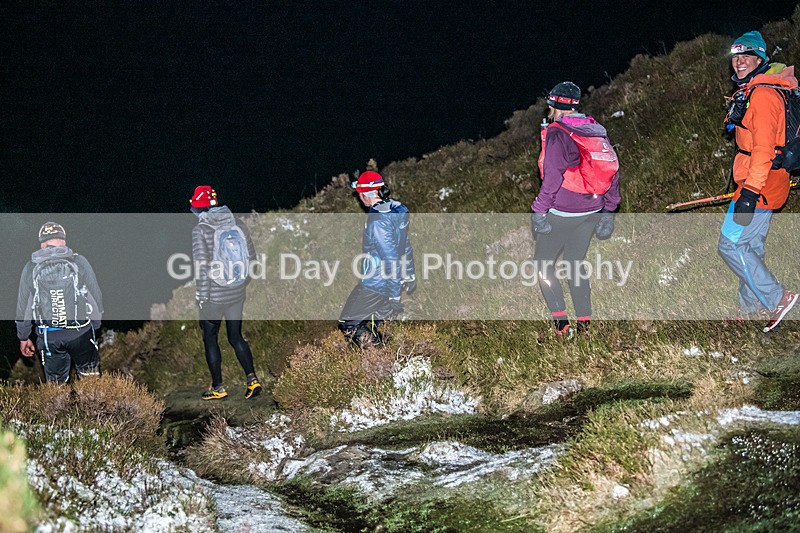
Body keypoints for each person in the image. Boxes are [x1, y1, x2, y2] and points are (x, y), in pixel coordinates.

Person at [718, 31, 798, 332]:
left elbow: (764, 148)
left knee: (729, 244)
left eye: (746, 56)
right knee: (750, 245)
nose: (739, 62)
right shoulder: (755, 90)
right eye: (736, 57)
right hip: (770, 180)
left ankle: (778, 298)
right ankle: (750, 308)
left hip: (759, 182)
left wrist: (749, 194)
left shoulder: (763, 96)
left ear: (760, 59)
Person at [531, 81, 621, 337]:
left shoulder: (559, 133)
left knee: (543, 266)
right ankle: (585, 325)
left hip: (562, 211)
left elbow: (552, 178)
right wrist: (609, 210)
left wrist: (539, 210)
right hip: (592, 209)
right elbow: (613, 170)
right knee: (574, 264)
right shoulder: (595, 130)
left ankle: (562, 325)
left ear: (553, 105)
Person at [190, 185, 263, 400]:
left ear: (198, 208)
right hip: (236, 292)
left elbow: (201, 266)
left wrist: (202, 296)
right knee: (236, 336)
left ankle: (218, 387)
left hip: (213, 295)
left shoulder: (200, 230)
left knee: (210, 337)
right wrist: (240, 282)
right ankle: (252, 380)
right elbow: (252, 258)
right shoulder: (236, 223)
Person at [15, 222, 103, 384]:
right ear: (64, 241)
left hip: (49, 337)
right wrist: (95, 326)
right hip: (81, 332)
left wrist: (23, 337)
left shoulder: (30, 267)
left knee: (56, 388)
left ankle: (59, 407)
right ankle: (92, 407)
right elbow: (95, 296)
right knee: (91, 383)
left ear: (42, 244)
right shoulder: (79, 261)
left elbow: (23, 307)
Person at [338, 171, 416, 348]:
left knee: (349, 323)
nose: (359, 198)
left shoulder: (377, 220)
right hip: (390, 281)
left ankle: (379, 359)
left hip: (377, 283)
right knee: (379, 326)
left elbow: (390, 258)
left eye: (359, 194)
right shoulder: (395, 211)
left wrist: (395, 294)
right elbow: (405, 245)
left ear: (366, 194)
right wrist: (409, 275)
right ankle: (392, 359)